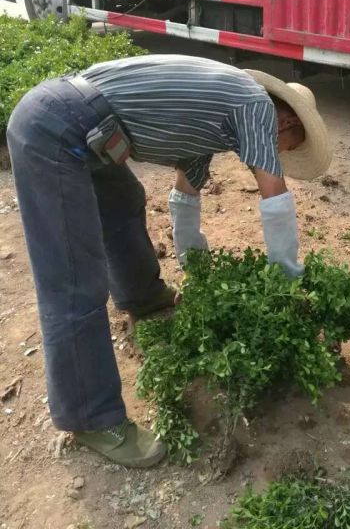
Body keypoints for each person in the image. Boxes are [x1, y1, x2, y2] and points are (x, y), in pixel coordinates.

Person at [7, 55, 332, 467]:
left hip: (83, 124)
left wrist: (197, 271)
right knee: (74, 277)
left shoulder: (213, 123)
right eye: (292, 146)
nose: (283, 153)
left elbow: (184, 196)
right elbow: (276, 197)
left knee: (125, 200)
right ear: (286, 123)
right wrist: (286, 281)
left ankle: (143, 297)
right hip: (57, 129)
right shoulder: (255, 106)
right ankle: (91, 418)